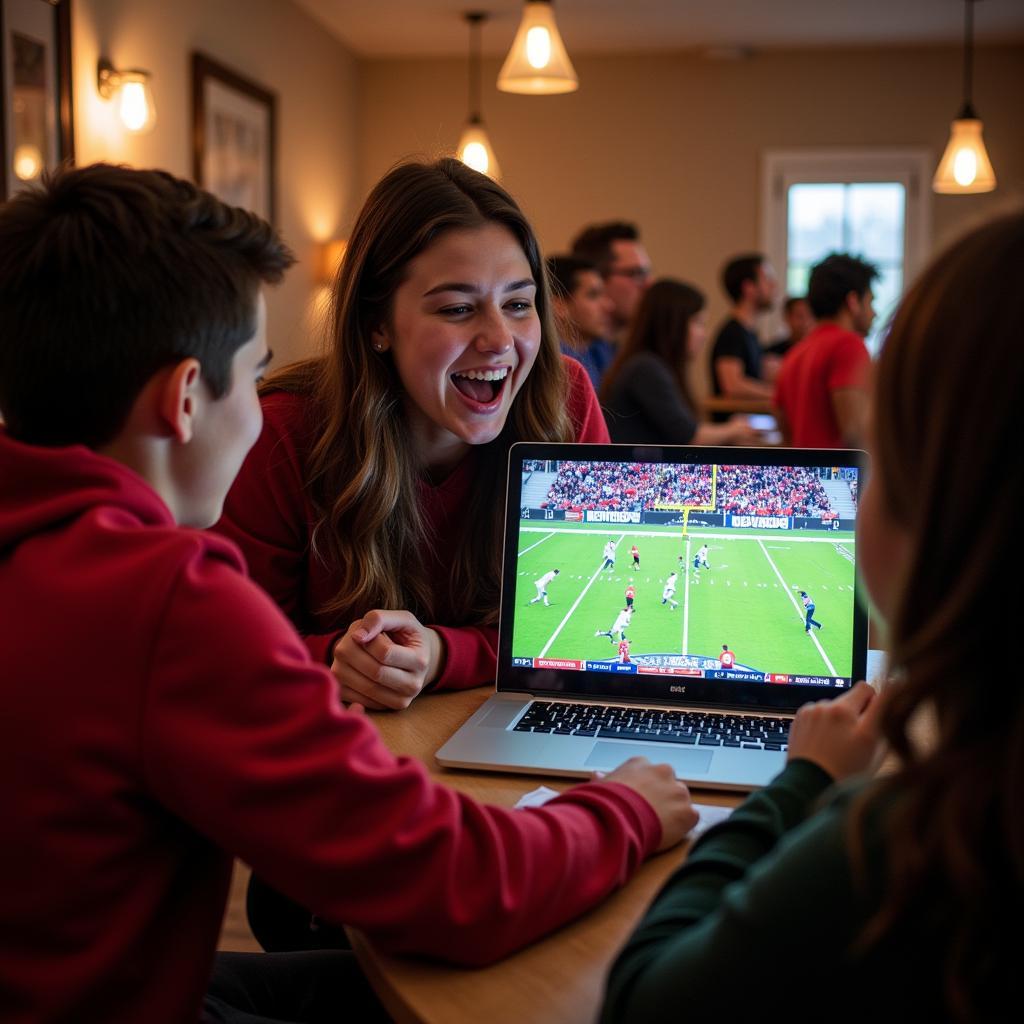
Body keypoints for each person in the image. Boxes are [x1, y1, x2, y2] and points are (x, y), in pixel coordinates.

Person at [0, 164, 699, 1024]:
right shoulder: (167, 600)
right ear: (186, 398)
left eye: (519, 304)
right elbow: (453, 885)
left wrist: (441, 652)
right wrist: (624, 806)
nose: (262, 410)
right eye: (253, 372)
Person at [602, 211, 1024, 1024]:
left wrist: (801, 783)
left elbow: (641, 1001)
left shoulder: (909, 841)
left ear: (932, 508)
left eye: (885, 464)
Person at [216, 158, 610, 717]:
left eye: (519, 304)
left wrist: (442, 653)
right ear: (377, 324)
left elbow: (583, 627)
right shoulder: (280, 432)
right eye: (456, 308)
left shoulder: (564, 400)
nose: (499, 340)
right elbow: (234, 652)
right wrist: (346, 659)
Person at [602, 279, 759, 445]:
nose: (703, 334)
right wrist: (735, 429)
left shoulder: (649, 364)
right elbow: (691, 437)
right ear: (673, 323)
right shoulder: (645, 368)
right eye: (698, 322)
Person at [774, 253, 879, 449]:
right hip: (840, 479)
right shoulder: (848, 345)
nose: (875, 313)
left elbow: (784, 430)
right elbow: (856, 436)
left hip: (803, 476)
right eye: (871, 302)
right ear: (853, 301)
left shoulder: (796, 352)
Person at [709, 253, 777, 408]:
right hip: (736, 427)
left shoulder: (749, 332)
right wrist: (778, 394)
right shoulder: (732, 333)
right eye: (767, 279)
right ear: (749, 287)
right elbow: (732, 385)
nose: (774, 285)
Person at [571, 221, 652, 344]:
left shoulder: (617, 354)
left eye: (648, 273)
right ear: (597, 278)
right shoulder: (567, 357)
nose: (649, 284)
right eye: (637, 274)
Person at [547, 254, 616, 390]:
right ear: (559, 306)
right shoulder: (550, 364)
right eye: (593, 295)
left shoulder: (600, 348)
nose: (609, 306)